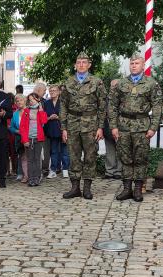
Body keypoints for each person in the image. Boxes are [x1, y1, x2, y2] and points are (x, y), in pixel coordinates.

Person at [109, 54, 162, 202]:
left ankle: (138, 189)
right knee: (125, 158)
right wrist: (113, 126)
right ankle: (126, 189)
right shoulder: (120, 84)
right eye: (131, 63)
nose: (133, 65)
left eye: (137, 63)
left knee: (140, 158)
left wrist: (153, 127)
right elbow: (112, 106)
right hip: (124, 125)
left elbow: (157, 107)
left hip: (142, 126)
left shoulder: (151, 84)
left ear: (143, 65)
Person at [60, 52, 107, 200]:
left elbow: (102, 106)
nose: (81, 64)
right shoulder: (68, 82)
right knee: (73, 156)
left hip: (90, 124)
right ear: (75, 64)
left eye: (84, 62)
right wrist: (64, 127)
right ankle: (75, 188)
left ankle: (87, 188)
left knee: (90, 156)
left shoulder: (97, 82)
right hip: (72, 123)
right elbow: (63, 106)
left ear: (89, 65)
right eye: (78, 62)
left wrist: (100, 127)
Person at [19, 93, 49, 186]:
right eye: (30, 100)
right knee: (30, 159)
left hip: (38, 139)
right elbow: (22, 127)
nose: (31, 101)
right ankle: (31, 178)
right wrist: (25, 140)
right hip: (29, 138)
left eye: (32, 100)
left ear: (37, 100)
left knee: (37, 159)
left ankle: (37, 178)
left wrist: (40, 111)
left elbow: (44, 121)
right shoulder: (26, 111)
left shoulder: (41, 111)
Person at [44, 85, 69, 179]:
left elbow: (68, 116)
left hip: (63, 129)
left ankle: (65, 169)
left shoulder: (63, 102)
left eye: (54, 90)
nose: (52, 92)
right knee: (53, 151)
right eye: (50, 91)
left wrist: (58, 117)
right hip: (52, 129)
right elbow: (43, 117)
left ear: (59, 92)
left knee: (65, 151)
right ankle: (53, 170)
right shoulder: (46, 103)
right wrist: (49, 117)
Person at [103, 79, 123, 180]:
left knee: (120, 150)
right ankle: (109, 172)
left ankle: (118, 172)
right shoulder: (106, 99)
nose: (113, 88)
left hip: (121, 127)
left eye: (116, 86)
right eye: (112, 86)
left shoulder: (123, 97)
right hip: (108, 127)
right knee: (109, 150)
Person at [9, 93, 27, 182]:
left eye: (21, 100)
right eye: (17, 101)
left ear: (25, 101)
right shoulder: (15, 114)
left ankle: (33, 174)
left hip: (29, 137)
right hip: (19, 138)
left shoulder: (29, 111)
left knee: (31, 157)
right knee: (22, 156)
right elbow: (11, 127)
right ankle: (22, 174)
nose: (19, 102)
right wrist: (17, 131)